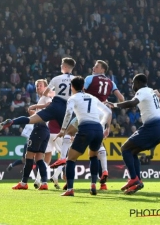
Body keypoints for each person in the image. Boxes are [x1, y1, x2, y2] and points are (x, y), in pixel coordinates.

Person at [51, 60, 124, 190]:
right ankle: (98, 182)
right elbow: (119, 101)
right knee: (95, 152)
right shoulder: (111, 83)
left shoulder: (88, 81)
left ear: (102, 69)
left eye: (96, 66)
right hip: (99, 116)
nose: (93, 68)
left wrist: (62, 129)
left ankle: (63, 161)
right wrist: (105, 126)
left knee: (69, 144)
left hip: (85, 115)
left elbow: (69, 112)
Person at [107, 74, 160, 195]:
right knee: (132, 152)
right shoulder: (150, 90)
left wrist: (114, 105)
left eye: (134, 83)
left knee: (124, 148)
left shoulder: (143, 91)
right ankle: (137, 180)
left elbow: (132, 103)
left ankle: (134, 178)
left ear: (138, 83)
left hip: (152, 128)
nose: (132, 85)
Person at [55, 76, 111, 196]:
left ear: (72, 87)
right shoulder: (93, 97)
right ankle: (93, 185)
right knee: (93, 157)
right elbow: (108, 112)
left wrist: (63, 129)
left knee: (71, 159)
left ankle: (70, 189)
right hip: (97, 129)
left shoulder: (73, 98)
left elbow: (69, 112)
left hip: (85, 128)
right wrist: (102, 125)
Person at [0, 57, 76, 131]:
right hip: (66, 108)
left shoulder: (56, 79)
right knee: (68, 132)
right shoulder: (76, 80)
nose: (61, 66)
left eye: (62, 64)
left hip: (54, 106)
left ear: (65, 66)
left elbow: (45, 93)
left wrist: (55, 94)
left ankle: (12, 121)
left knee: (30, 119)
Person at [12, 79, 52, 190]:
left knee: (29, 156)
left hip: (39, 129)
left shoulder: (46, 97)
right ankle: (44, 183)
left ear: (45, 87)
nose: (38, 87)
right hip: (45, 130)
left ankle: (24, 183)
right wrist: (34, 112)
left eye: (40, 85)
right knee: (39, 158)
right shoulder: (42, 99)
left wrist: (34, 107)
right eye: (36, 86)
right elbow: (44, 113)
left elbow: (49, 105)